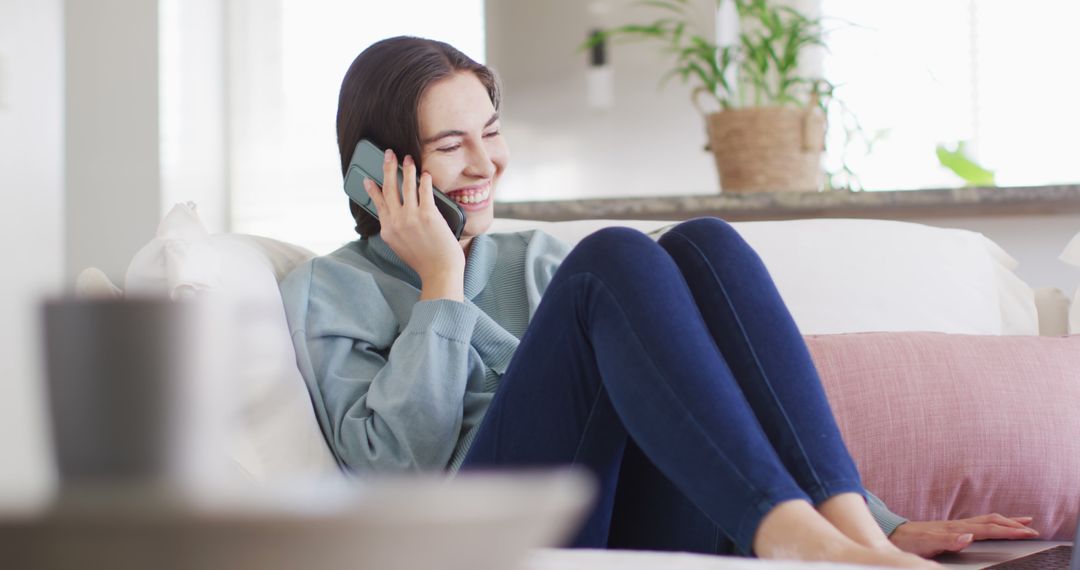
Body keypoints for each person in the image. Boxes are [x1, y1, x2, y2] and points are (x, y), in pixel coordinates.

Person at [280, 36, 1038, 566]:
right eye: (451, 147)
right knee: (612, 256)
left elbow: (684, 402)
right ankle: (789, 538)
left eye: (492, 132)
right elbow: (399, 475)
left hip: (631, 514)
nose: (485, 164)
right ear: (378, 171)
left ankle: (846, 533)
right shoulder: (329, 292)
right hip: (483, 534)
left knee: (703, 242)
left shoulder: (534, 261)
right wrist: (441, 286)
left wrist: (888, 522)